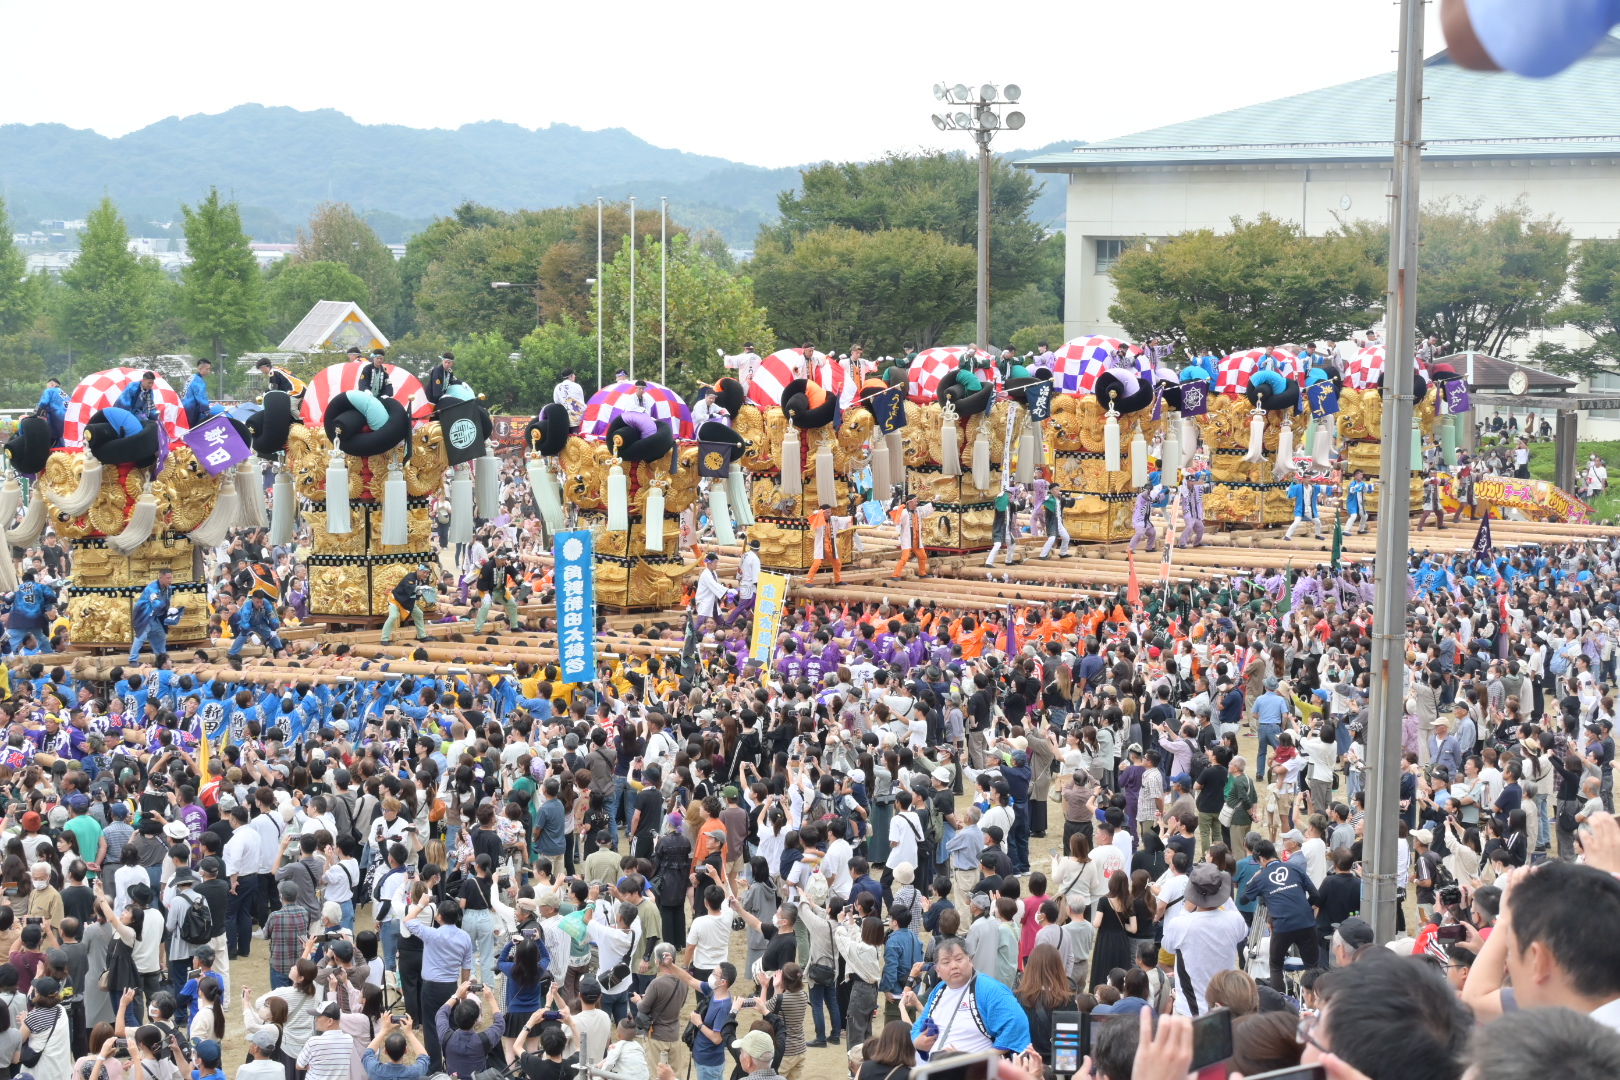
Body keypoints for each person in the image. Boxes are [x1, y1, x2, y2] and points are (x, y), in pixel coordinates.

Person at [904, 937, 1031, 1058]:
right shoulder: (939, 989)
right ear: (937, 970)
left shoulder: (989, 989)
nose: (954, 966)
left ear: (970, 960)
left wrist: (973, 1059)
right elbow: (920, 1022)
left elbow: (1017, 1024)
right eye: (946, 962)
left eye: (959, 959)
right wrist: (917, 1040)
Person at [1161, 862, 1247, 1016]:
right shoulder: (1235, 921)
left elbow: (1167, 945)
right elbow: (1242, 931)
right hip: (1225, 1007)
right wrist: (1224, 896)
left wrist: (1185, 910)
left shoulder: (1181, 923)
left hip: (1189, 1010)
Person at [1240, 839, 1323, 993]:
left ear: (1262, 859)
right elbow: (1316, 895)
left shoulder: (1261, 877)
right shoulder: (1294, 868)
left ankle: (1279, 1002)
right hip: (1305, 921)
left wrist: (1256, 878)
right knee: (1312, 966)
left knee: (1276, 965)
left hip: (1282, 925)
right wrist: (1305, 907)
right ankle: (1317, 999)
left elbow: (1244, 900)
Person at [436, 982, 504, 1080]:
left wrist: (456, 995)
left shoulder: (446, 1036)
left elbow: (441, 1013)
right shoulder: (484, 1040)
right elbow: (500, 1023)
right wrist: (491, 998)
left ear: (455, 1017)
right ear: (476, 1019)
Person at [128, 568, 178, 664]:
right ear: (161, 577)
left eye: (171, 578)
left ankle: (162, 660)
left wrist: (169, 612)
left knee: (161, 636)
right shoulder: (151, 588)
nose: (170, 580)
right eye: (167, 578)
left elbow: (167, 602)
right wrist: (168, 610)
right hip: (145, 615)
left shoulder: (169, 589)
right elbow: (156, 603)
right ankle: (133, 660)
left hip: (156, 617)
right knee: (141, 636)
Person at [298, 1000, 357, 1080]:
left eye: (318, 1016)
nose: (315, 1019)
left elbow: (299, 1066)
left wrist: (312, 1065)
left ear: (330, 1021)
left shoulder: (313, 1042)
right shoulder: (349, 1039)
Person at [381, 565, 434, 646]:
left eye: (427, 573)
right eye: (424, 572)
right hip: (396, 599)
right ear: (418, 570)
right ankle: (384, 639)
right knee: (393, 616)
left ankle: (421, 636)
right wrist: (420, 588)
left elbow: (424, 591)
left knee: (419, 614)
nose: (425, 574)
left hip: (408, 601)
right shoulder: (410, 577)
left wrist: (430, 600)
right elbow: (410, 587)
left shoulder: (424, 580)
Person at [890, 497, 930, 580]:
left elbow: (925, 509)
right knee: (904, 558)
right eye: (915, 501)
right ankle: (895, 575)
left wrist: (934, 502)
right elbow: (896, 521)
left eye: (916, 501)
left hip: (916, 539)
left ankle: (922, 573)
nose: (916, 503)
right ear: (910, 502)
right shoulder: (904, 512)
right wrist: (896, 511)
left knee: (922, 556)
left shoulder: (918, 511)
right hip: (907, 539)